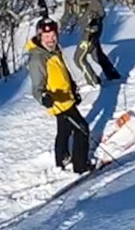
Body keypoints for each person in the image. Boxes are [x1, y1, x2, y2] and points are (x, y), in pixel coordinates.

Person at [25, 17, 93, 174]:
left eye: (53, 36)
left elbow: (63, 73)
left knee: (64, 130)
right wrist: (44, 98)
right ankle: (80, 166)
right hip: (57, 102)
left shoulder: (55, 50)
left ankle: (61, 158)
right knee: (82, 129)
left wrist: (73, 90)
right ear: (40, 36)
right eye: (47, 37)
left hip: (67, 99)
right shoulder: (38, 58)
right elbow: (37, 87)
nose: (51, 39)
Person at [61, 0, 121, 86]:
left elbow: (101, 12)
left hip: (92, 30)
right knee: (96, 55)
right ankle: (113, 75)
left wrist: (94, 18)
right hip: (84, 29)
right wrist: (59, 25)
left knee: (78, 58)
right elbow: (67, 15)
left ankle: (94, 83)